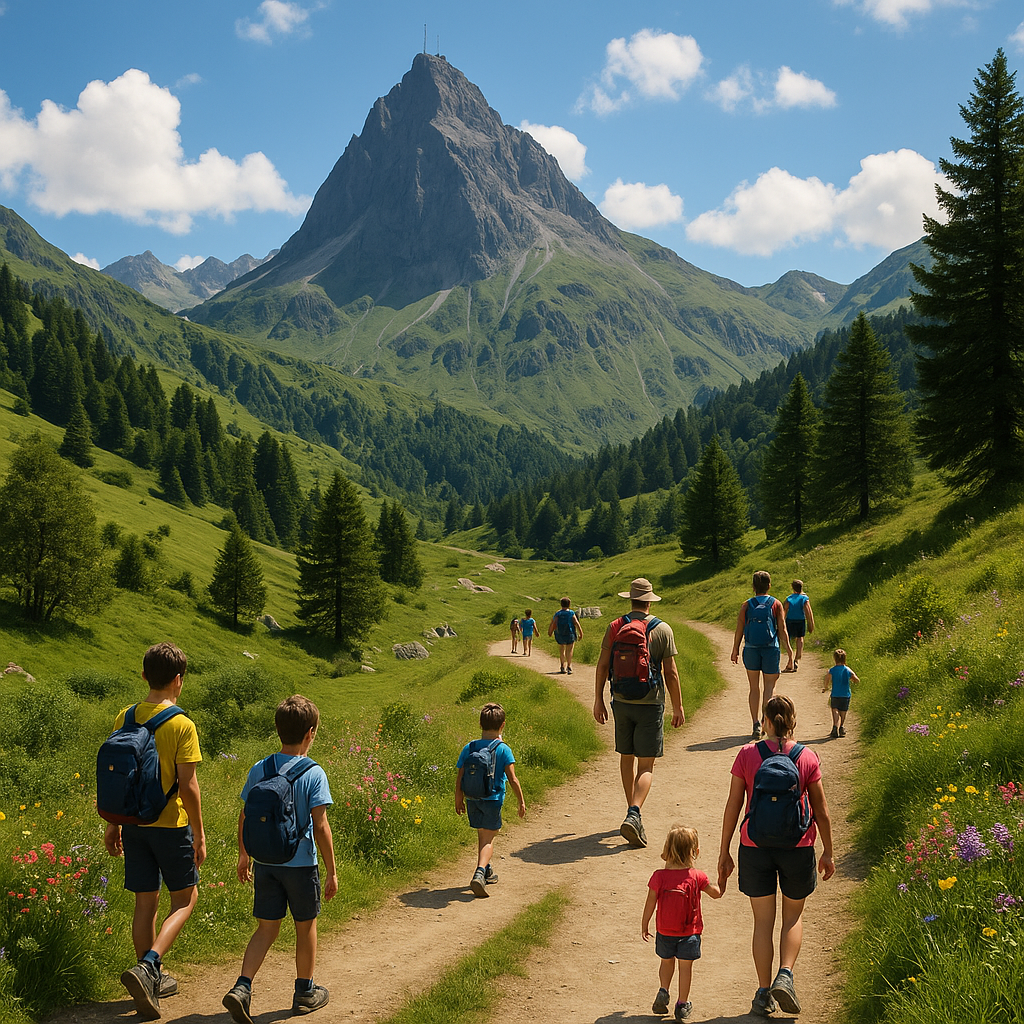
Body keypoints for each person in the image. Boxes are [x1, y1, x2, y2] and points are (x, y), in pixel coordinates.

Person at [718, 694, 835, 1018]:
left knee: (762, 922)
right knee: (792, 917)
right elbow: (821, 811)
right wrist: (827, 850)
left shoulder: (746, 754)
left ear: (766, 721)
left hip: (754, 847)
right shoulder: (807, 757)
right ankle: (786, 974)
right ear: (793, 721)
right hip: (798, 846)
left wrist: (725, 850)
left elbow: (733, 806)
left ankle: (762, 993)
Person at [104, 642, 205, 1020]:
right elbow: (188, 786)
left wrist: (114, 824)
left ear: (144, 675)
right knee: (185, 900)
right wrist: (199, 833)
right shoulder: (181, 724)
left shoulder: (125, 716)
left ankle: (150, 978)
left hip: (133, 825)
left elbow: (121, 779)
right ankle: (149, 967)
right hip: (170, 826)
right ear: (179, 680)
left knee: (144, 904)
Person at [223, 695, 337, 1023]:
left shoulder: (261, 767)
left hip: (265, 863)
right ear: (311, 733)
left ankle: (242, 988)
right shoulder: (314, 773)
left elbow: (246, 815)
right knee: (306, 928)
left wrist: (244, 855)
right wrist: (331, 871)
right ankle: (304, 992)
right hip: (301, 866)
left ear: (277, 729)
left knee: (266, 929)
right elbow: (320, 826)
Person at [594, 577, 685, 849]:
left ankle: (632, 811)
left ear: (630, 599)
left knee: (626, 758)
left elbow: (601, 666)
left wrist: (598, 700)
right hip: (650, 702)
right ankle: (634, 813)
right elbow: (671, 672)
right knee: (646, 765)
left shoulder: (614, 627)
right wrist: (678, 706)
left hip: (620, 701)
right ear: (649, 601)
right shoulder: (662, 629)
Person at [642, 825, 723, 1021]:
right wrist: (723, 878)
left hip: (664, 931)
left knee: (666, 962)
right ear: (695, 852)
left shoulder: (659, 876)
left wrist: (645, 924)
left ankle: (663, 990)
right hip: (690, 934)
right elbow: (716, 894)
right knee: (685, 968)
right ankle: (682, 1003)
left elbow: (650, 903)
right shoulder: (697, 876)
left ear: (667, 850)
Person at [454, 702, 526, 897]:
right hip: (493, 799)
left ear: (480, 724)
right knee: (489, 839)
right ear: (502, 725)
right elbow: (512, 779)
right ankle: (479, 873)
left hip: (472, 798)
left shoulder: (469, 747)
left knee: (482, 835)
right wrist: (521, 801)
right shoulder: (503, 749)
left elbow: (460, 776)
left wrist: (458, 798)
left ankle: (486, 870)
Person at [731, 571, 793, 739]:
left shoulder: (746, 605)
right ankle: (766, 722)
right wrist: (789, 651)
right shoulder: (776, 604)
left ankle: (755, 724)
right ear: (769, 586)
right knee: (769, 688)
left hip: (751, 648)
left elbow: (740, 629)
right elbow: (782, 629)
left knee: (753, 687)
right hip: (771, 649)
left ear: (753, 587)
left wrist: (735, 649)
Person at [823, 649, 859, 739]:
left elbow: (827, 679)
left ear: (835, 659)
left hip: (835, 694)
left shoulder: (832, 670)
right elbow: (856, 679)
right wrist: (854, 680)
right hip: (845, 694)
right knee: (843, 711)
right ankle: (841, 727)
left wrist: (826, 687)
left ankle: (835, 726)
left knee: (834, 709)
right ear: (844, 659)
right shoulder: (847, 669)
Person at [783, 580, 815, 671]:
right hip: (800, 621)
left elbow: (784, 610)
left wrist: (782, 623)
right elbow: (808, 612)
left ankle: (790, 657)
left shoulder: (789, 598)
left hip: (790, 621)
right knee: (800, 638)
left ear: (792, 588)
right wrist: (810, 624)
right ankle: (797, 659)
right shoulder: (804, 599)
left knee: (788, 639)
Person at [548, 597, 584, 674]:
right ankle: (569, 666)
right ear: (569, 604)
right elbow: (576, 623)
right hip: (570, 634)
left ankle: (562, 666)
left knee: (561, 651)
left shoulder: (558, 614)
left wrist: (550, 632)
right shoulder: (571, 613)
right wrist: (581, 633)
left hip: (559, 634)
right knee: (569, 650)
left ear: (561, 604)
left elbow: (553, 623)